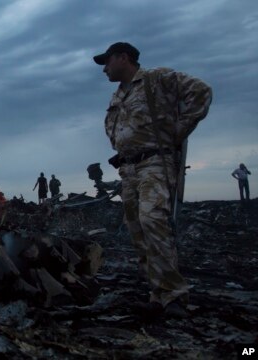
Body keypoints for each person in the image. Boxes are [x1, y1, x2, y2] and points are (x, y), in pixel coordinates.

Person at [94, 42, 212, 318]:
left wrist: (177, 132)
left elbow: (201, 92)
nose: (104, 69)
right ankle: (157, 294)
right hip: (129, 170)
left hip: (155, 164)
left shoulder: (157, 78)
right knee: (137, 228)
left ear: (123, 58)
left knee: (153, 221)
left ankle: (174, 295)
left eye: (107, 61)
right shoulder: (118, 95)